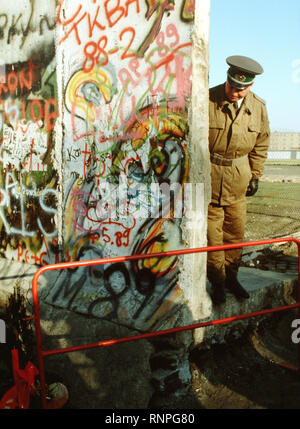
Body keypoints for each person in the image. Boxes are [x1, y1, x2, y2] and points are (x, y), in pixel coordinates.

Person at [208, 55, 270, 305]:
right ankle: (218, 283)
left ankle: (232, 278)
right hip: (209, 179)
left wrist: (255, 174)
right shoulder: (207, 99)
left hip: (238, 180)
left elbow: (261, 143)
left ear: (251, 86)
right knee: (212, 239)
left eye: (240, 88)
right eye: (231, 85)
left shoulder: (258, 107)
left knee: (234, 235)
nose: (234, 92)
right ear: (227, 79)